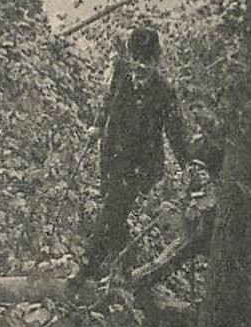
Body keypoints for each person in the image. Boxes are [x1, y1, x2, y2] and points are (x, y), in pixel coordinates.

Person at [83, 26, 195, 277]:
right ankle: (123, 270)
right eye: (135, 59)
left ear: (156, 60)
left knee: (113, 209)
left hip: (140, 166)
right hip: (111, 156)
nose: (139, 66)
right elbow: (108, 102)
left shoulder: (164, 92)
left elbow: (175, 134)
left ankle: (86, 269)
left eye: (146, 61)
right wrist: (97, 127)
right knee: (114, 210)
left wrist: (188, 165)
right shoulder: (121, 73)